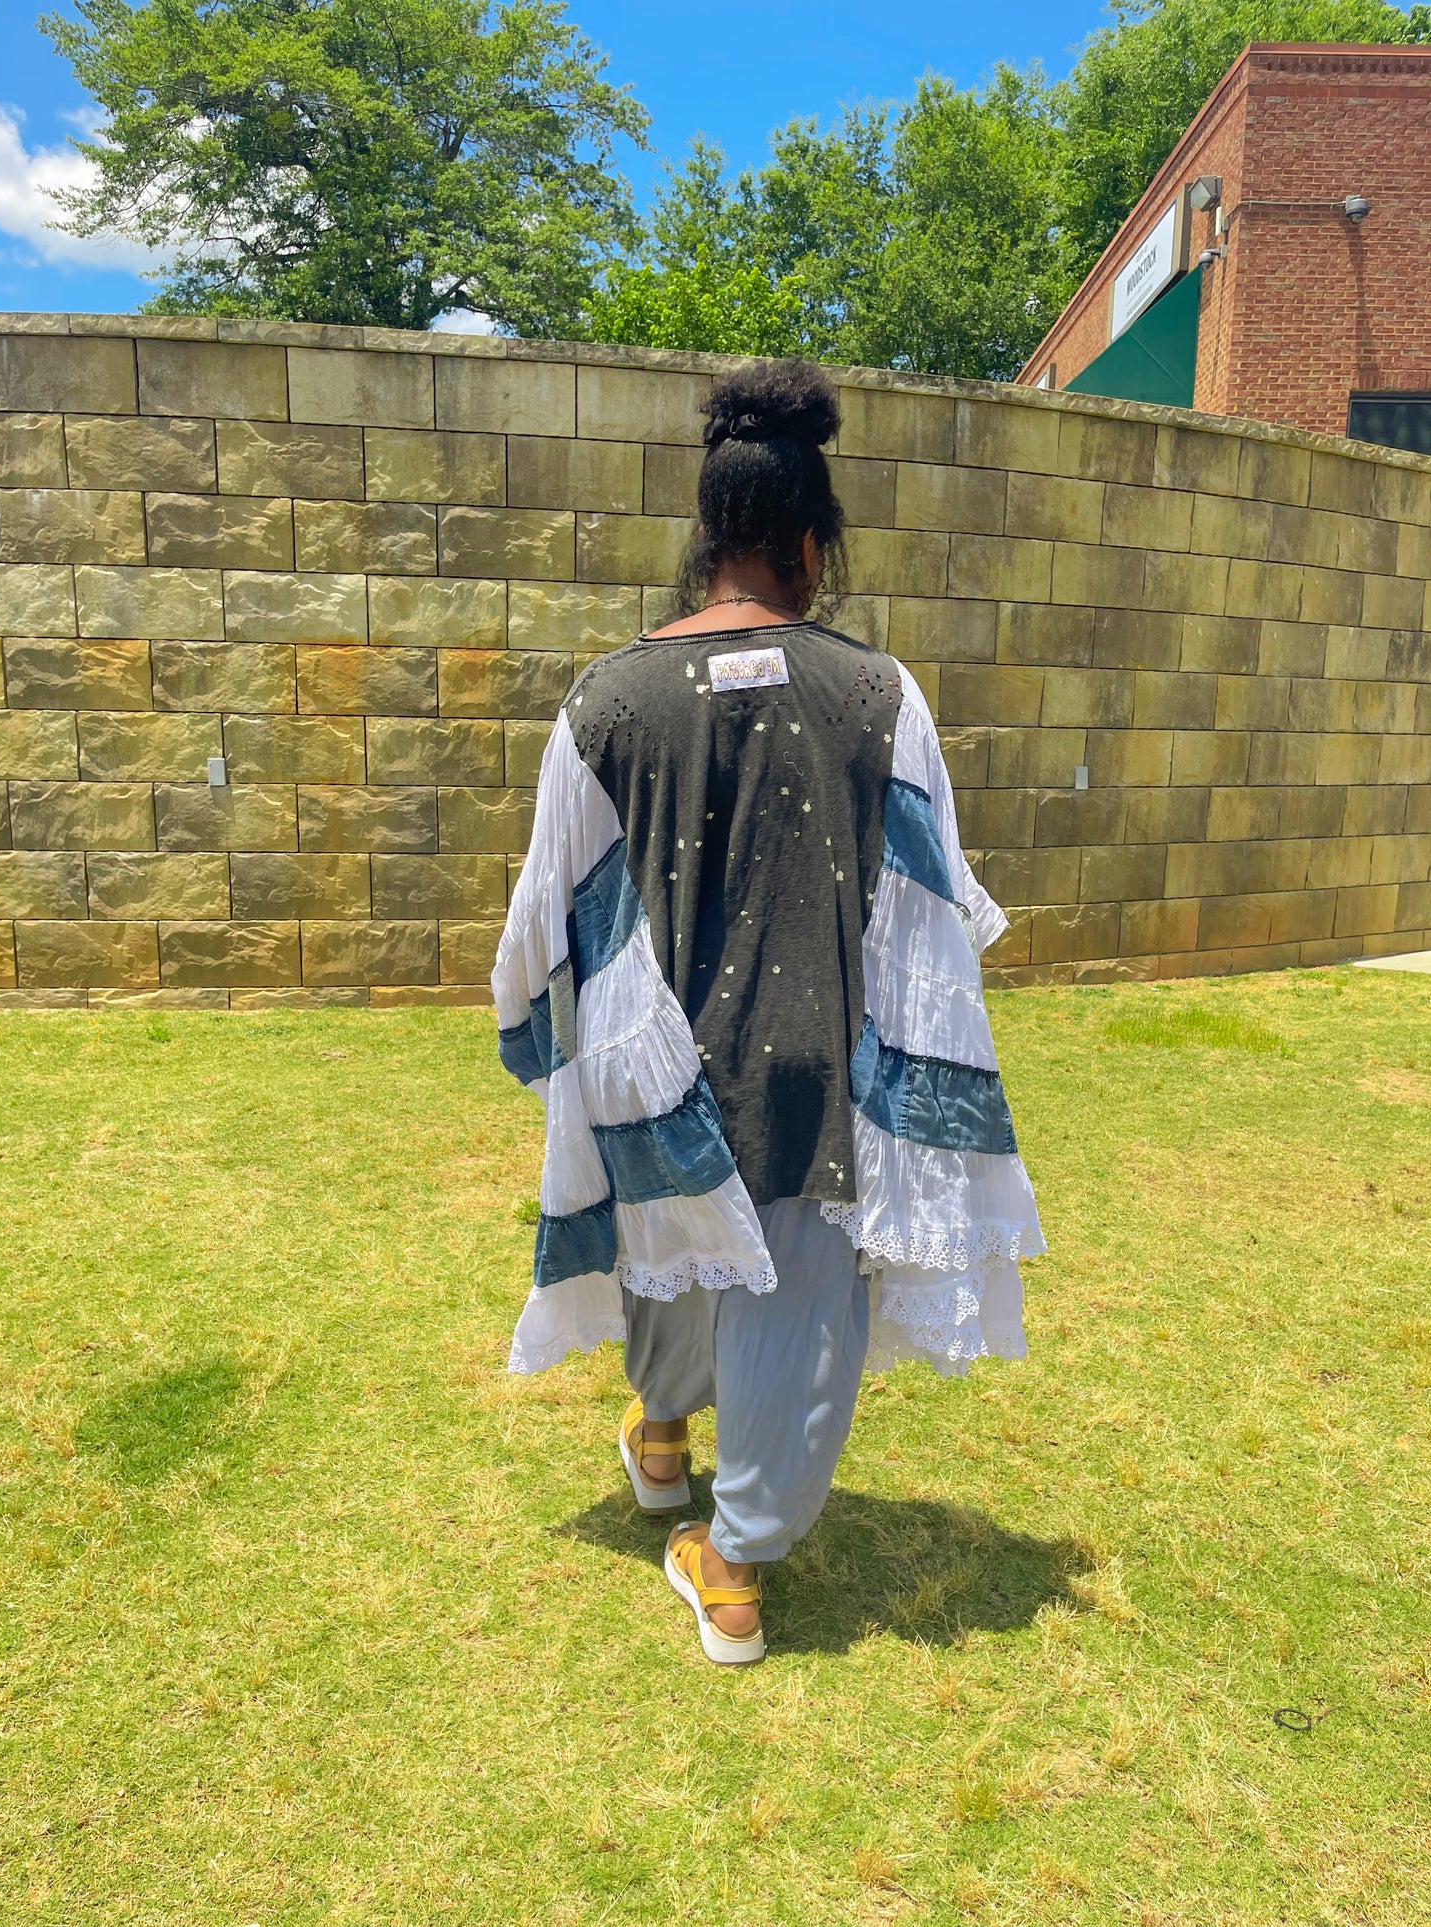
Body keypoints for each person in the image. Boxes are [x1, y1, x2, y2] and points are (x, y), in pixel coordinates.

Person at [493, 360, 1043, 1665]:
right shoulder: (878, 693)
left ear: (707, 534)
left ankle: (663, 1446)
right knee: (791, 1300)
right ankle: (731, 1569)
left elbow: (543, 904)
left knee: (667, 1246)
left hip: (650, 1061)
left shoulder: (604, 699)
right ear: (811, 542)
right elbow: (928, 894)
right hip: (809, 1064)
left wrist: (531, 1030)